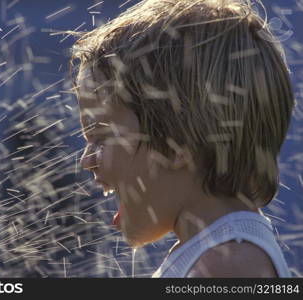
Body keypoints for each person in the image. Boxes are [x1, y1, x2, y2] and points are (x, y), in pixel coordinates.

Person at [70, 0, 294, 277]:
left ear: (177, 143)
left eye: (100, 135)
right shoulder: (209, 251)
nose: (85, 161)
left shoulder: (227, 265)